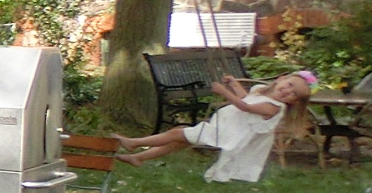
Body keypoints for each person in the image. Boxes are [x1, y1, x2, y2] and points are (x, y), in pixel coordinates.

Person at [113, 70, 315, 182]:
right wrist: (234, 84)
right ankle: (138, 157)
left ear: (293, 102)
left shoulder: (273, 107)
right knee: (179, 140)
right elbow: (247, 97)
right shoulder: (261, 92)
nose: (287, 91)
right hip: (222, 128)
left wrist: (223, 92)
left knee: (178, 133)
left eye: (294, 93)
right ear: (282, 79)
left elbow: (244, 106)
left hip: (228, 134)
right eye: (289, 85)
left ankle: (134, 143)